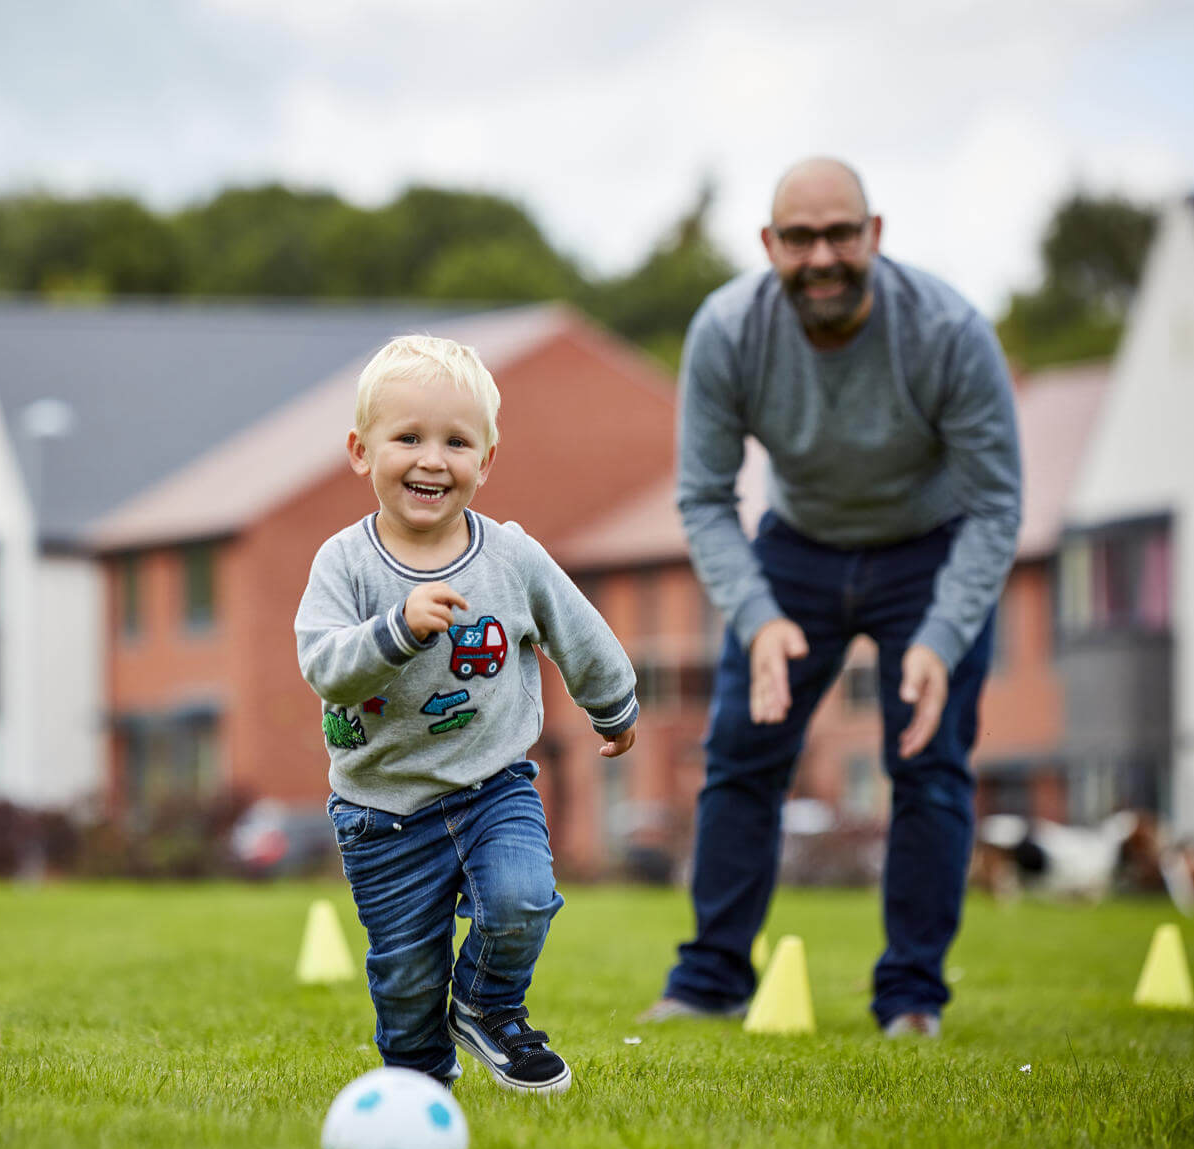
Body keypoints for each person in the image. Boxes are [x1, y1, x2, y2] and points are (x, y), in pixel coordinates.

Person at [642, 158, 1022, 1038]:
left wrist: (941, 634)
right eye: (801, 237)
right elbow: (704, 497)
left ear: (875, 236)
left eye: (841, 234)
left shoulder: (950, 332)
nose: (823, 256)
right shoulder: (728, 332)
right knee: (741, 755)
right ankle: (710, 979)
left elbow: (998, 503)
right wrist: (759, 618)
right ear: (770, 245)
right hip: (796, 553)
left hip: (932, 550)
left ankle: (912, 996)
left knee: (929, 767)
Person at [295, 334, 639, 1093]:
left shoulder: (510, 558)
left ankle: (487, 1006)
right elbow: (323, 666)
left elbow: (577, 629)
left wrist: (611, 704)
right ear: (361, 451)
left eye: (456, 441)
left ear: (486, 460)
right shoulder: (343, 564)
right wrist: (398, 627)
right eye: (407, 437)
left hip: (493, 785)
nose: (431, 459)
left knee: (521, 898)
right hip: (381, 810)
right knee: (407, 981)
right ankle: (420, 1090)